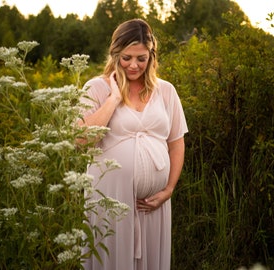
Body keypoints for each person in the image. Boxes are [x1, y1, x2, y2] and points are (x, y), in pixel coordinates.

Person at [79, 18, 188, 270]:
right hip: (109, 199)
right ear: (115, 53)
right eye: (126, 58)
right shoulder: (95, 88)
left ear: (151, 55)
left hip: (154, 206)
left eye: (141, 58)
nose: (134, 65)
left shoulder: (166, 91)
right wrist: (113, 99)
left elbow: (176, 143)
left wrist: (168, 189)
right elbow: (82, 139)